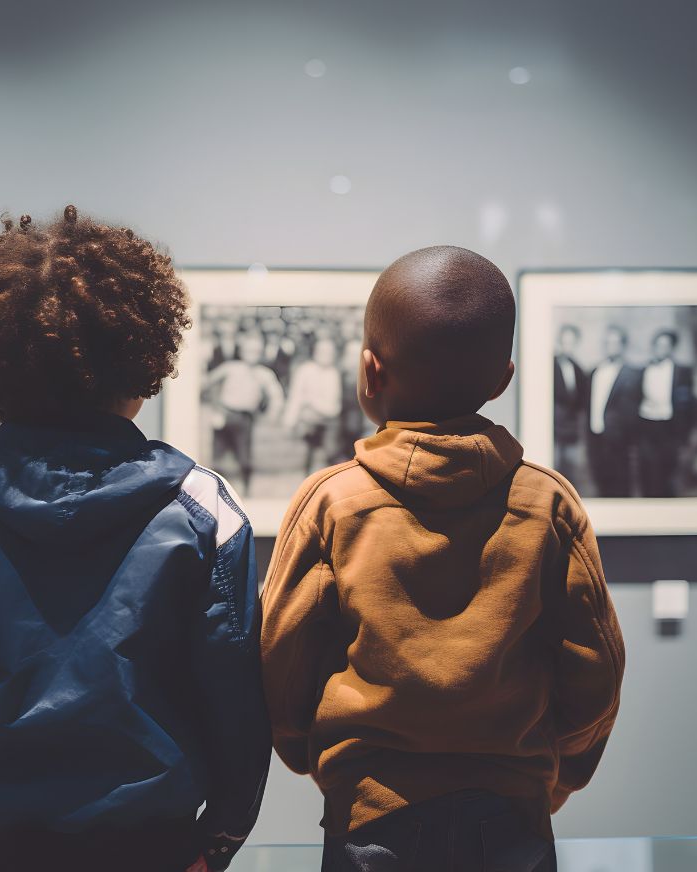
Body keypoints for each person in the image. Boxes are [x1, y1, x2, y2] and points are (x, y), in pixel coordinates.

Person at [0, 207, 270, 872]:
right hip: (160, 845)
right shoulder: (203, 513)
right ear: (144, 358)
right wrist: (224, 835)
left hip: (2, 847)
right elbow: (236, 692)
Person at [262, 245, 625, 872]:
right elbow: (595, 669)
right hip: (514, 815)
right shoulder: (548, 504)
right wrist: (557, 776)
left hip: (367, 817)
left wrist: (316, 760)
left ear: (370, 371)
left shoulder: (330, 503)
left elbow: (280, 661)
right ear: (504, 377)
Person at [205, 330, 284, 493]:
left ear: (261, 353)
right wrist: (213, 402)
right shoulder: (231, 367)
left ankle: (246, 489)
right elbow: (209, 381)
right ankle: (213, 489)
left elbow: (276, 394)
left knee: (244, 455)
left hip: (245, 419)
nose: (252, 355)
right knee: (218, 454)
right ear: (241, 351)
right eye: (248, 351)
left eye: (256, 351)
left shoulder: (264, 374)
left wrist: (273, 411)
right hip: (224, 414)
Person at [635, 328, 695, 497]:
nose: (661, 348)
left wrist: (685, 435)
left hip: (670, 428)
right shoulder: (643, 370)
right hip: (647, 425)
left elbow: (690, 406)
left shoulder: (682, 372)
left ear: (671, 348)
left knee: (668, 471)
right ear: (653, 347)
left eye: (665, 345)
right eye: (658, 345)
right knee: (646, 469)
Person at [586, 325, 642, 497]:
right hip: (595, 435)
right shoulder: (595, 371)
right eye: (608, 343)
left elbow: (633, 410)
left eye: (615, 343)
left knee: (620, 483)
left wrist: (624, 435)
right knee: (600, 480)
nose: (611, 346)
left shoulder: (632, 373)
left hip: (619, 439)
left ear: (623, 345)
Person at [282, 335, 344, 474]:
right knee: (308, 454)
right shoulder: (305, 370)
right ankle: (308, 481)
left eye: (329, 352)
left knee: (331, 453)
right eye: (321, 351)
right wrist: (290, 420)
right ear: (314, 351)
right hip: (310, 419)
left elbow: (335, 403)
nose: (325, 355)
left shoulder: (335, 373)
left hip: (331, 419)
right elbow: (296, 396)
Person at [552, 324, 589, 474]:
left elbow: (580, 401)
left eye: (571, 343)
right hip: (552, 427)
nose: (567, 346)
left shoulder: (578, 369)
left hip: (570, 430)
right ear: (559, 342)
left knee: (569, 471)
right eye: (564, 342)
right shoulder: (548, 364)